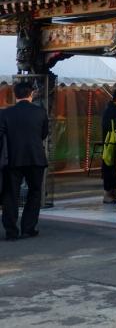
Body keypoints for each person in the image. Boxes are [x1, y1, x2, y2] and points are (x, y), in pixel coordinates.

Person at [0, 81, 49, 240]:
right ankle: (28, 228)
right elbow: (43, 134)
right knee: (34, 193)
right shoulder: (40, 112)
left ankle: (11, 230)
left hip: (12, 159)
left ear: (15, 95)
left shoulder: (5, 113)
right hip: (36, 158)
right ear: (31, 94)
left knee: (11, 194)